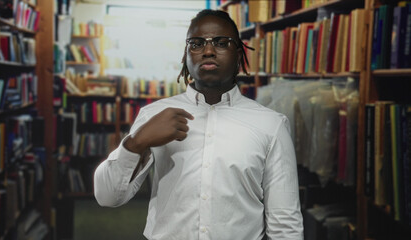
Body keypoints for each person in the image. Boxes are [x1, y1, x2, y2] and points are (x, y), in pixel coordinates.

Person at [94, 9, 303, 240]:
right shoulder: (153, 115)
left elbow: (285, 224)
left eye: (222, 43)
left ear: (239, 54)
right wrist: (136, 143)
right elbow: (107, 196)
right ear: (185, 56)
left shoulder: (271, 125)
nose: (209, 51)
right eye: (197, 43)